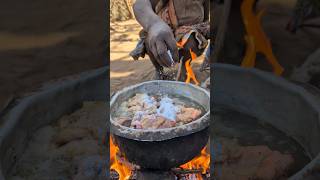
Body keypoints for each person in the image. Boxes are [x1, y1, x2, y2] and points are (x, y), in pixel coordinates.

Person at [130, 0, 210, 80]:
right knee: (150, 41)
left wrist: (205, 30)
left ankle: (184, 68)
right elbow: (140, 4)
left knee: (191, 42)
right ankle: (159, 70)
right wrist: (154, 25)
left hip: (192, 30)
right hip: (165, 28)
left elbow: (206, 18)